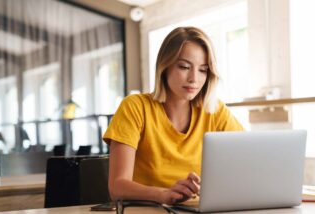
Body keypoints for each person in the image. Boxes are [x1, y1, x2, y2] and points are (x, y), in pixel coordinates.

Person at [103, 26, 244, 205]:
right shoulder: (135, 107)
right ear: (164, 67)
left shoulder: (215, 111)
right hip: (150, 209)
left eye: (203, 70)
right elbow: (117, 187)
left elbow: (248, 161)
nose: (194, 78)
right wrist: (163, 194)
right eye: (184, 67)